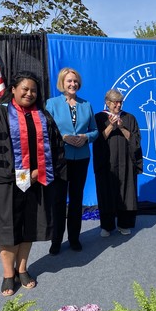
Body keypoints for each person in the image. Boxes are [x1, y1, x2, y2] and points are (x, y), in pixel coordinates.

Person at [0, 71, 66, 296]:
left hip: (37, 180)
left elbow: (54, 148)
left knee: (29, 226)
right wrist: (20, 174)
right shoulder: (0, 113)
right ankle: (8, 274)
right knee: (7, 229)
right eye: (24, 89)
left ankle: (22, 269)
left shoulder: (43, 116)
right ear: (13, 90)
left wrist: (38, 172)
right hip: (6, 183)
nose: (29, 93)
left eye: (33, 90)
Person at [45, 67, 98, 255]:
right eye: (69, 81)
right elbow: (47, 131)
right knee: (58, 201)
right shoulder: (51, 104)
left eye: (75, 81)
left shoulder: (86, 105)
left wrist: (85, 137)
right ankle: (56, 240)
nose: (73, 84)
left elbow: (95, 131)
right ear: (62, 83)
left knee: (76, 200)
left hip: (81, 158)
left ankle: (74, 238)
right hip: (60, 159)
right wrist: (63, 138)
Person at [93, 89, 143, 236]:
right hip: (107, 162)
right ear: (107, 103)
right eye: (115, 102)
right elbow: (97, 140)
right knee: (106, 191)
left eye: (120, 102)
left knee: (126, 191)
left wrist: (121, 127)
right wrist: (110, 126)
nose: (118, 105)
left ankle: (124, 223)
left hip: (126, 161)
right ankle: (107, 225)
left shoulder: (129, 118)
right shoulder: (99, 118)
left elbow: (135, 141)